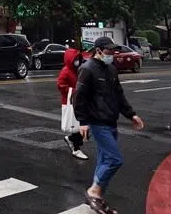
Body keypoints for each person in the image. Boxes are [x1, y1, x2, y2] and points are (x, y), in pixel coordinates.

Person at [74, 36, 145, 214]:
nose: (111, 54)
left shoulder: (111, 70)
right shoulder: (87, 69)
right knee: (114, 159)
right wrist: (82, 122)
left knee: (105, 159)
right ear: (98, 51)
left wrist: (131, 114)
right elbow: (78, 97)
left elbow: (119, 95)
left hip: (111, 120)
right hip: (97, 122)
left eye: (113, 51)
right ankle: (94, 191)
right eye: (108, 51)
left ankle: (97, 198)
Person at [57, 47, 88, 160]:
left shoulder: (77, 69)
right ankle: (76, 148)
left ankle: (73, 142)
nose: (77, 61)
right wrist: (73, 91)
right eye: (75, 59)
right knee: (77, 125)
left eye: (78, 59)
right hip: (70, 101)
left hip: (78, 100)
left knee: (82, 125)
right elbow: (60, 85)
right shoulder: (66, 71)